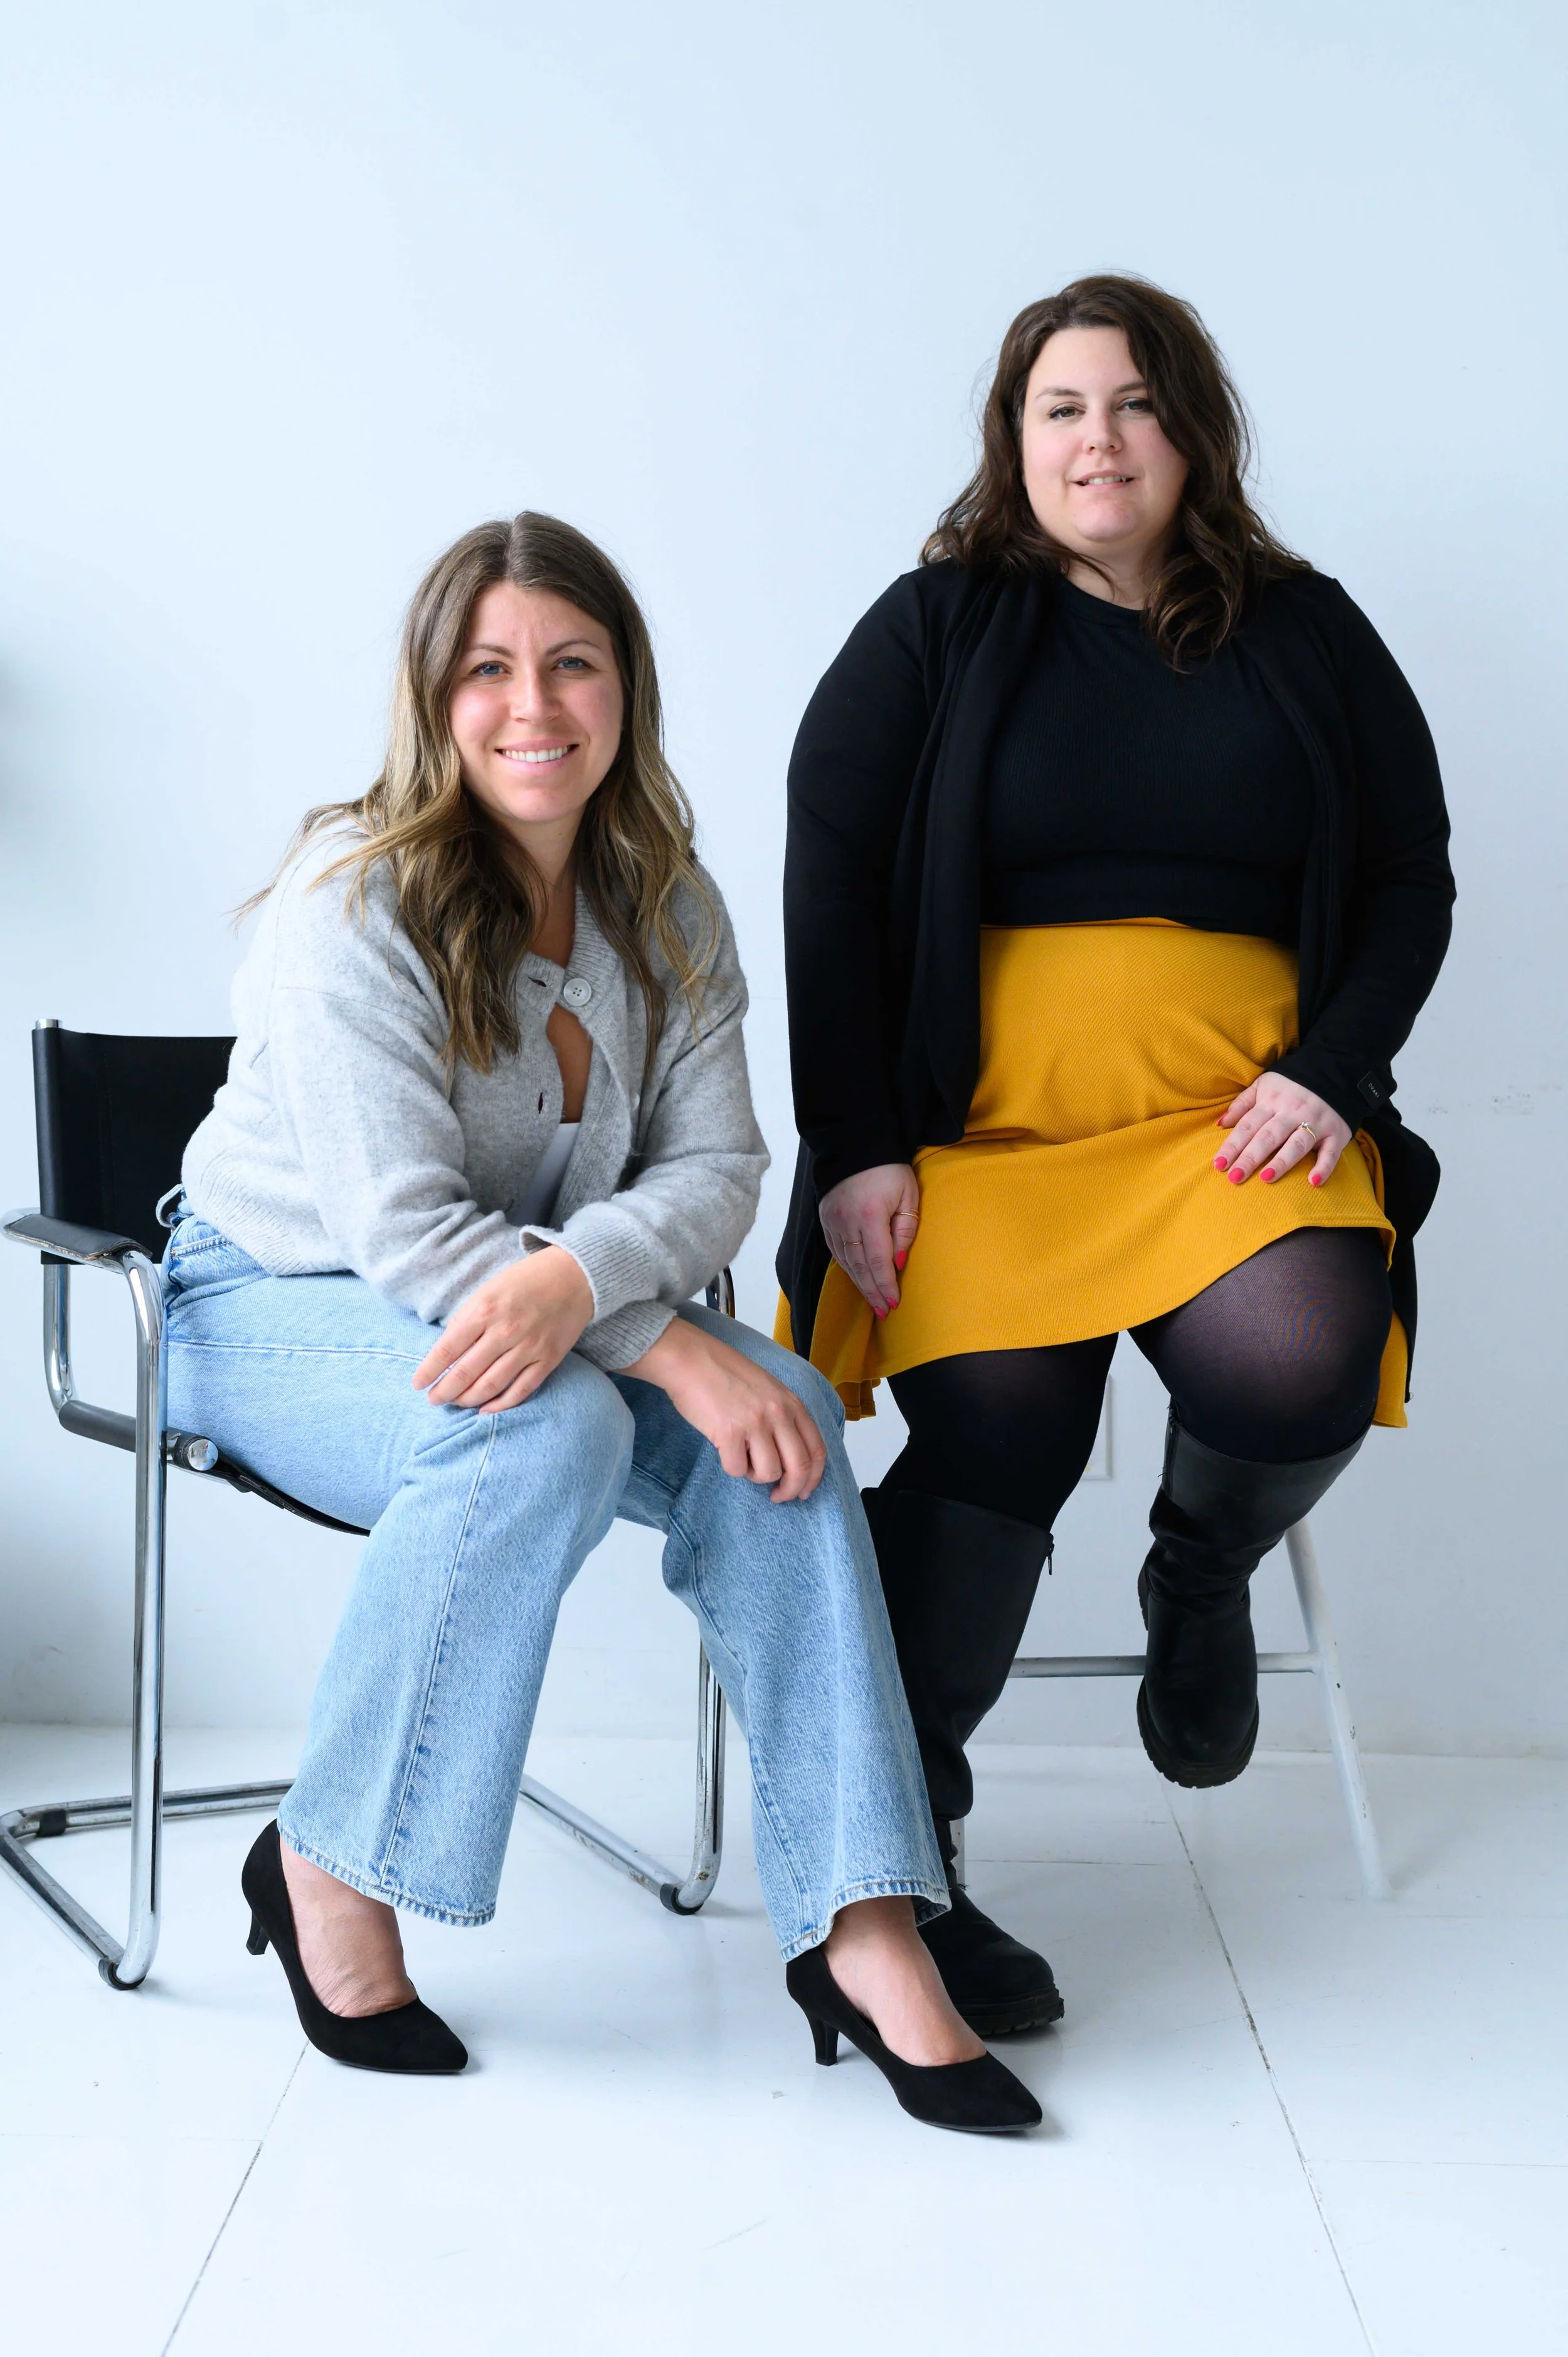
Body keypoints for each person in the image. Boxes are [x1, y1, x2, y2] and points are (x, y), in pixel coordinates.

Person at [164, 510, 1039, 2132]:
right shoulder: (351, 899)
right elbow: (401, 1228)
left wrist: (600, 1291)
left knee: (777, 1423)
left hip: (536, 1312)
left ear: (625, 686)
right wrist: (650, 1333)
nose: (532, 705)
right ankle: (327, 1859)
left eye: (571, 662)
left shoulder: (668, 902)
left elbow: (719, 1165)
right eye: (486, 668)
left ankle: (861, 1917)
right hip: (271, 1301)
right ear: (432, 699)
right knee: (552, 1414)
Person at [776, 276, 1453, 2039]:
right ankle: (896, 1857)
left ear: (1192, 434)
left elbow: (1405, 876)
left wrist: (1332, 1063)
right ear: (1014, 440)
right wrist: (854, 1141)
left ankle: (1198, 1563)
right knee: (995, 1420)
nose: (1100, 438)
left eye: (1136, 404)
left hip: (1233, 1130)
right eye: (1062, 405)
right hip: (979, 1147)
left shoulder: (1304, 631)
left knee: (1301, 1354)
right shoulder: (932, 629)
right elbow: (830, 883)